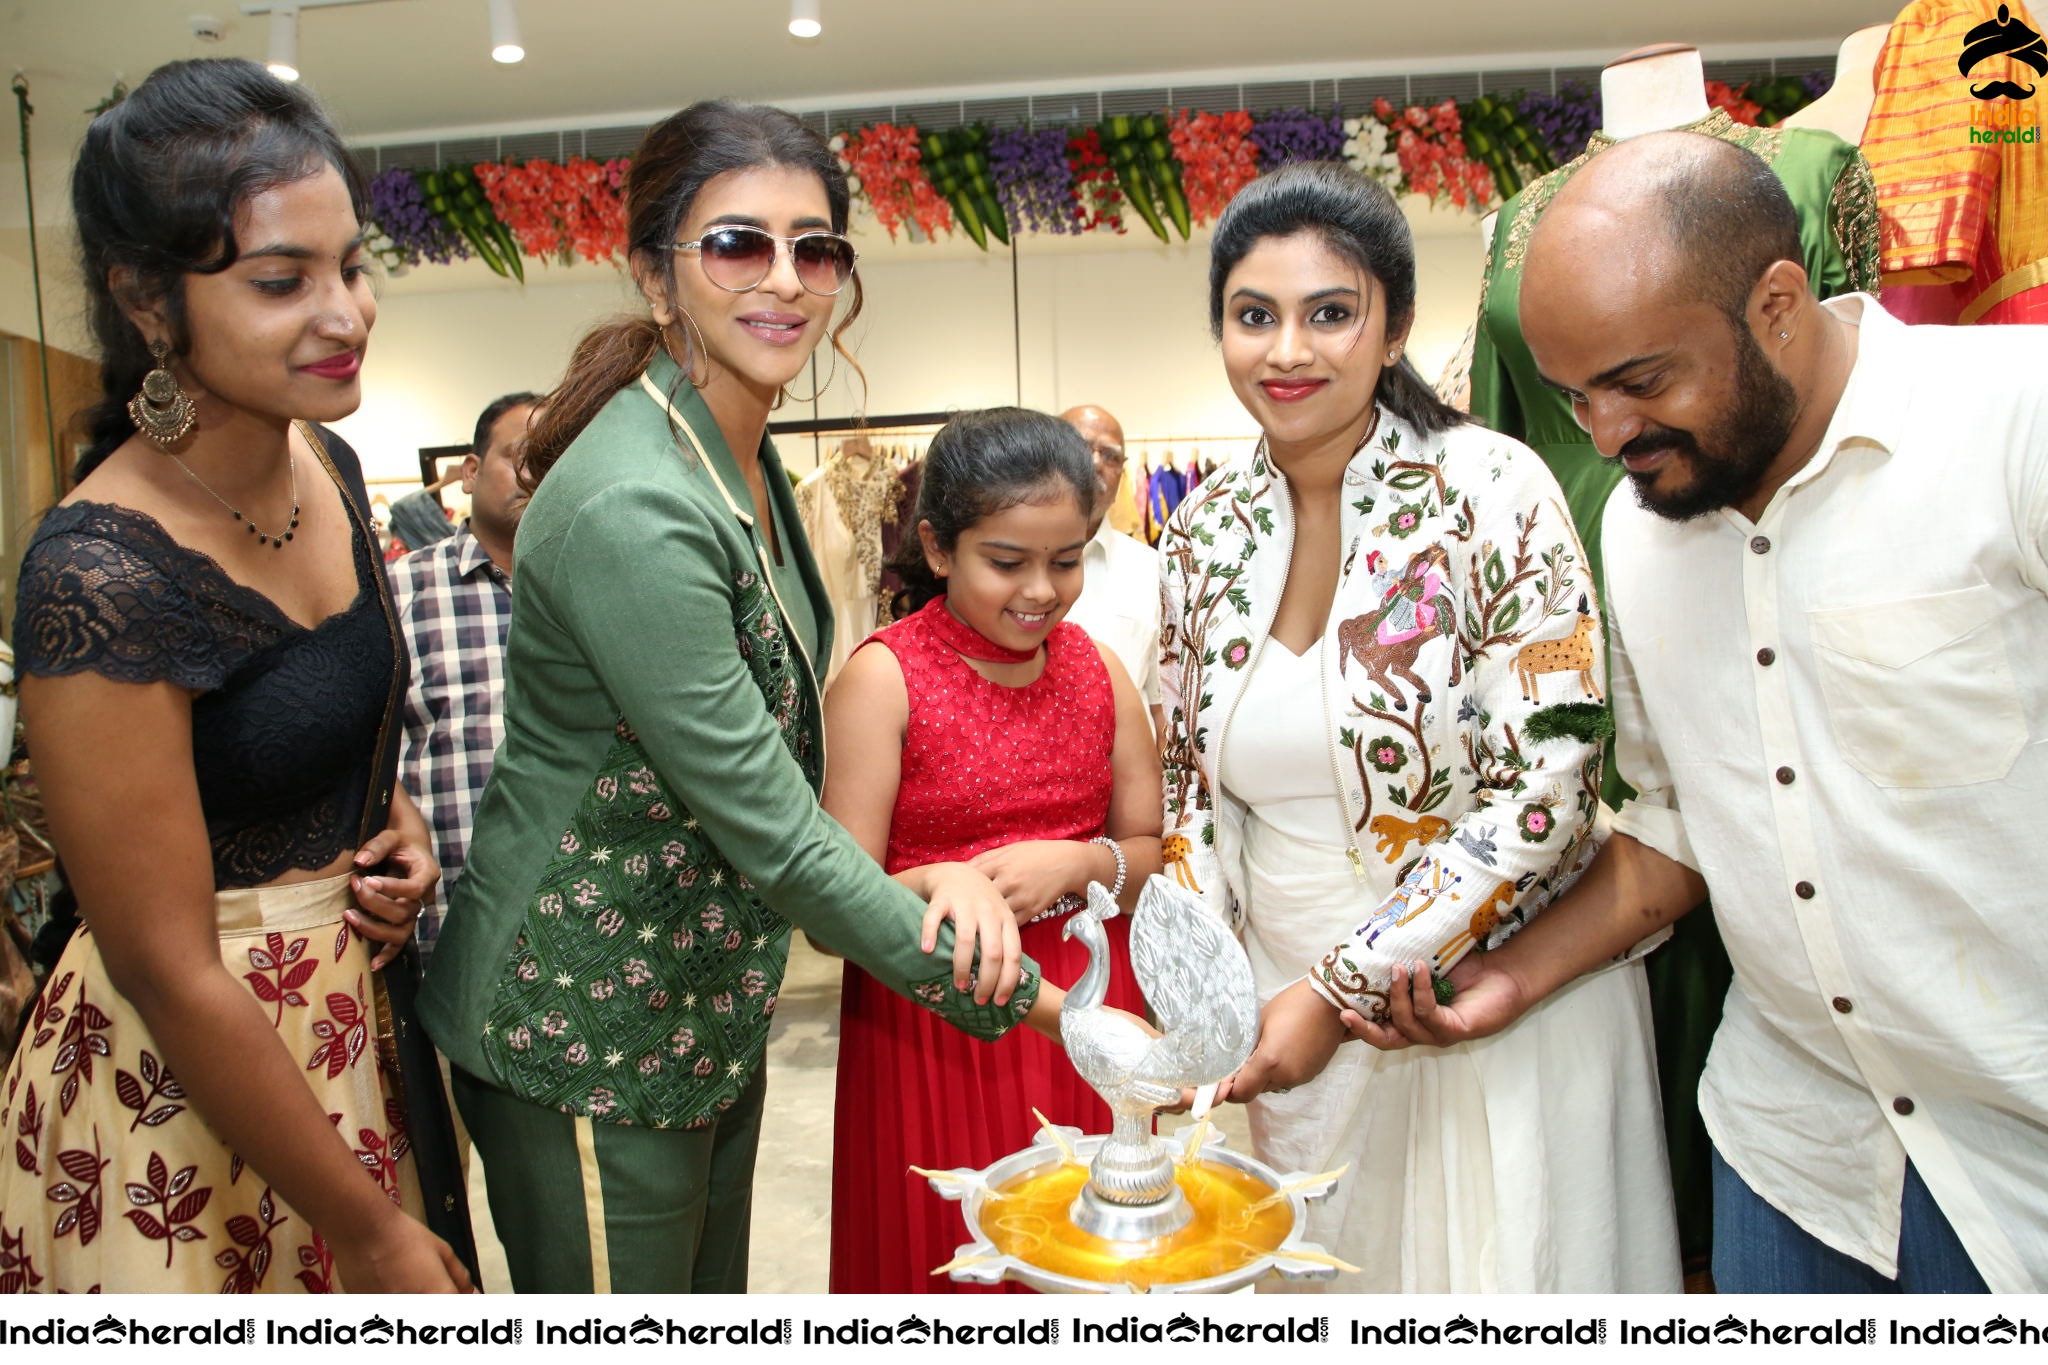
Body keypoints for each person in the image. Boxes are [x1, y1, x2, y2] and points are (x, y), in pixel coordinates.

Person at [1352, 131, 2048, 1295]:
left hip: (2017, 1151)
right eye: (1574, 396)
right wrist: (1515, 974)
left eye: (1639, 381)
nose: (1606, 435)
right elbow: (1677, 822)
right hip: (1792, 1156)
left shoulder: (2011, 424)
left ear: (1774, 304)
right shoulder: (1640, 528)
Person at [417, 101, 1066, 1295]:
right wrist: (1060, 1017)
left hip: (693, 998)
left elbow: (769, 776)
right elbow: (770, 828)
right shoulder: (635, 499)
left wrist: (918, 881)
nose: (782, 279)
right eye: (735, 244)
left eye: (814, 249)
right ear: (653, 274)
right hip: (581, 1019)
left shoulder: (736, 450)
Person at [1159, 162, 1679, 1292]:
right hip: (1282, 1019)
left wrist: (1342, 989)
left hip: (1480, 991)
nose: (1287, 350)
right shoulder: (1201, 531)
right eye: (1253, 315)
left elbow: (1553, 778)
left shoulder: (1492, 488)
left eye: (1328, 313)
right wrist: (1211, 995)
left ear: (1392, 327)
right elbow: (1185, 790)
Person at [0, 58, 471, 1293]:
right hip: (188, 1086)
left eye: (352, 266)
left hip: (353, 1029)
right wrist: (367, 1232)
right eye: (280, 281)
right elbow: (163, 965)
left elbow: (315, 719)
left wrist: (396, 823)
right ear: (147, 301)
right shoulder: (99, 574)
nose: (345, 314)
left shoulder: (329, 465)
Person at [823, 407, 1164, 1293]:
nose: (1041, 590)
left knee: (1093, 1265)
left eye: (1066, 560)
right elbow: (829, 909)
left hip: (1088, 1005)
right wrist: (936, 877)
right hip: (930, 1016)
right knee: (954, 1262)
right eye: (1007, 563)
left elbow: (1148, 853)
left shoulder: (1099, 670)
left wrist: (1082, 863)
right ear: (938, 548)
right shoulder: (884, 677)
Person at [389, 391, 537, 956]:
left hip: (584, 924)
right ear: (470, 472)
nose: (538, 475)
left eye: (557, 461)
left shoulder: (599, 588)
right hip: (446, 919)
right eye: (521, 457)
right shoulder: (398, 591)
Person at [1057, 405, 1165, 737]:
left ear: (1122, 473)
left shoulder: (1151, 568)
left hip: (1132, 765)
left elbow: (1161, 702)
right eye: (1080, 448)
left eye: (1110, 455)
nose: (1094, 463)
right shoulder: (1006, 567)